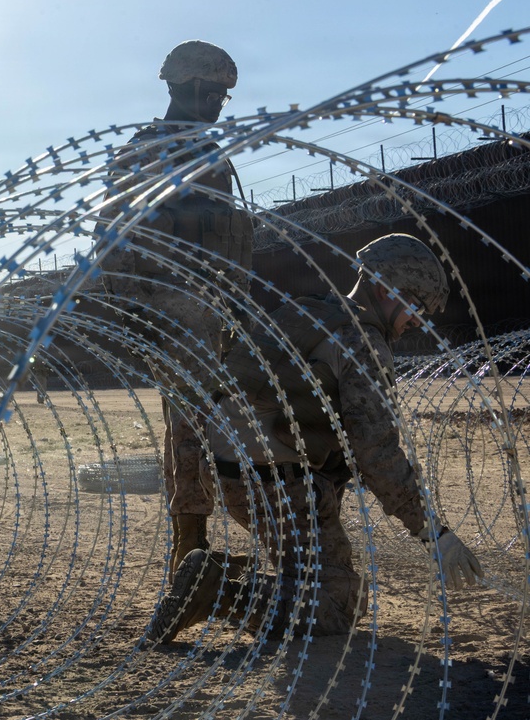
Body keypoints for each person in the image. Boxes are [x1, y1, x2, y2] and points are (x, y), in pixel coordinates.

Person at [147, 233, 484, 643]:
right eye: (415, 307)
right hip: (280, 487)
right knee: (336, 606)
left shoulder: (304, 312)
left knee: (310, 575)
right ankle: (214, 593)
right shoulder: (362, 341)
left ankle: (235, 584)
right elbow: (376, 452)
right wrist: (435, 533)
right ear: (385, 287)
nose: (416, 322)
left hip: (228, 472)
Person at [98, 40, 253, 580]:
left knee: (217, 422)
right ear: (182, 89)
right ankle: (189, 549)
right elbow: (115, 238)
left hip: (217, 313)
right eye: (210, 93)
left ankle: (201, 545)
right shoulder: (149, 151)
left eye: (222, 97)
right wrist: (140, 315)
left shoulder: (206, 151)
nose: (216, 104)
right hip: (174, 313)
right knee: (191, 426)